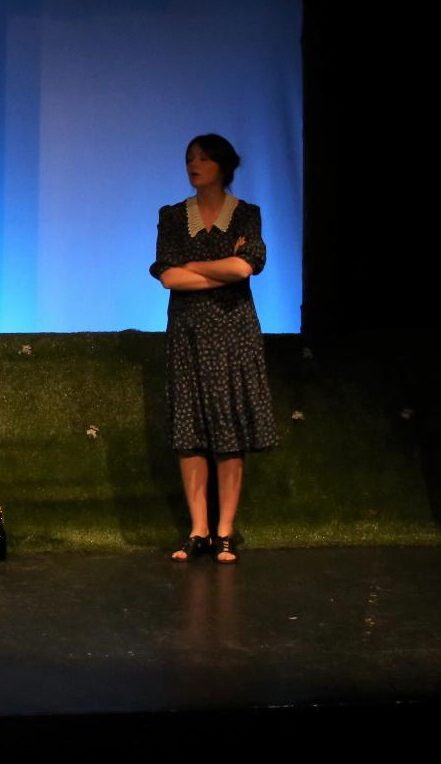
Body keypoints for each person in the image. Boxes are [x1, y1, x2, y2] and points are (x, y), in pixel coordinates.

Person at [150, 134, 277, 564]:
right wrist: (220, 269)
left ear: (222, 165)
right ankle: (198, 530)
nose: (194, 165)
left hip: (232, 332)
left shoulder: (245, 214)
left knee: (228, 431)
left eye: (203, 158)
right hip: (187, 332)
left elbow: (246, 267)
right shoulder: (172, 216)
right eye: (190, 158)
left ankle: (225, 532)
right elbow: (168, 276)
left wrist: (195, 267)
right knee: (189, 433)